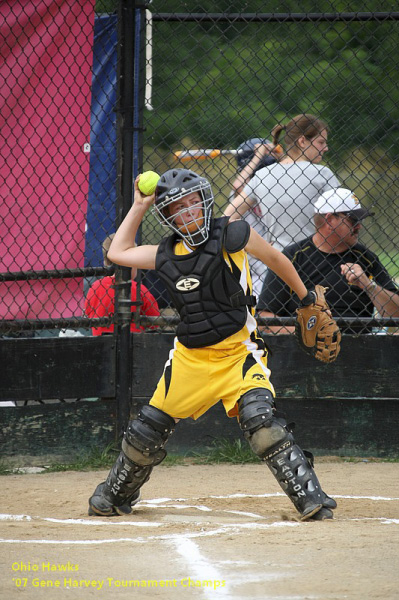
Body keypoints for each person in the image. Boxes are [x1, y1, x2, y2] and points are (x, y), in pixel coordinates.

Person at [87, 168, 337, 522]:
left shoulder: (233, 234)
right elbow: (118, 252)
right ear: (168, 215)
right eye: (179, 207)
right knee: (145, 432)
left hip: (239, 353)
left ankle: (311, 498)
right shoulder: (164, 253)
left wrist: (306, 297)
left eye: (194, 203)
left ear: (206, 202)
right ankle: (113, 494)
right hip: (190, 360)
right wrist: (140, 204)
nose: (190, 211)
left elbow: (276, 260)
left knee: (261, 422)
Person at [224, 114, 340, 298]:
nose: (326, 148)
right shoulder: (323, 174)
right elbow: (344, 218)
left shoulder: (262, 176)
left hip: (276, 266)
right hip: (318, 264)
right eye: (320, 142)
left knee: (277, 323)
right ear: (302, 141)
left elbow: (228, 217)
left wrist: (255, 247)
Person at [257, 188, 399, 334]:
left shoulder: (366, 259)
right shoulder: (293, 257)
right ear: (330, 220)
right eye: (353, 220)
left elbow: (396, 314)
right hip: (303, 350)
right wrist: (307, 335)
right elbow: (264, 318)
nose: (359, 226)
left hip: (359, 346)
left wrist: (368, 285)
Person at [84, 234, 160, 335]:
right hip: (134, 345)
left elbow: (89, 315)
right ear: (133, 261)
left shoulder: (95, 287)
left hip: (100, 346)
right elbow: (155, 323)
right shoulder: (139, 289)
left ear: (105, 263)